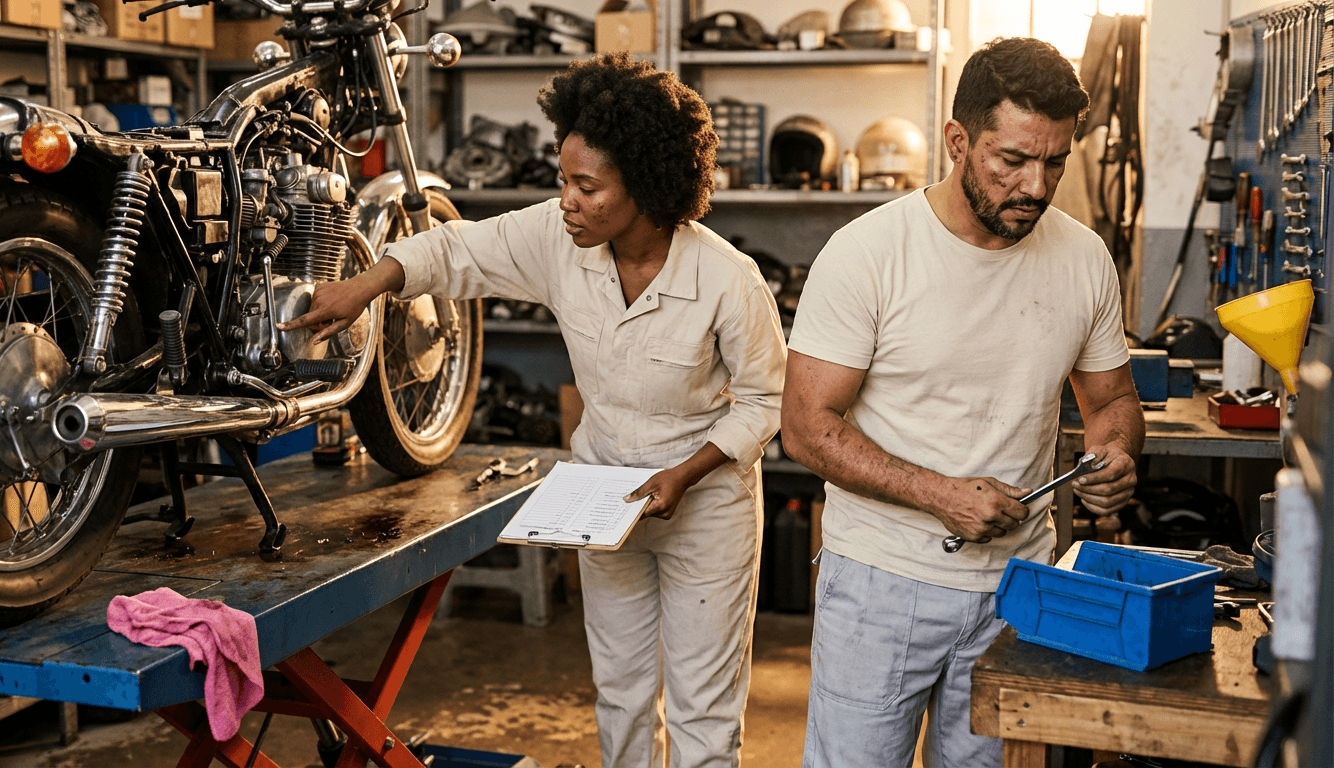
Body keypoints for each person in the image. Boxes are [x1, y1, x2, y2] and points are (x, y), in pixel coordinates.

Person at [281, 52, 787, 768]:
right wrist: (369, 285)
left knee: (705, 707)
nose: (568, 202)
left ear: (645, 185)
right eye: (562, 181)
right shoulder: (561, 238)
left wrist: (686, 472)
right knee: (621, 692)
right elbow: (458, 249)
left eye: (587, 187)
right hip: (607, 494)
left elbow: (766, 402)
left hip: (705, 506)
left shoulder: (726, 280)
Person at [780, 37, 1145, 768]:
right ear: (957, 140)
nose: (1035, 187)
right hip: (882, 585)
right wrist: (939, 494)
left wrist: (1117, 451)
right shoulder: (868, 254)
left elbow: (1112, 400)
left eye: (1054, 163)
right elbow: (806, 429)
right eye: (1011, 160)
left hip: (1018, 588)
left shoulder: (1083, 259)